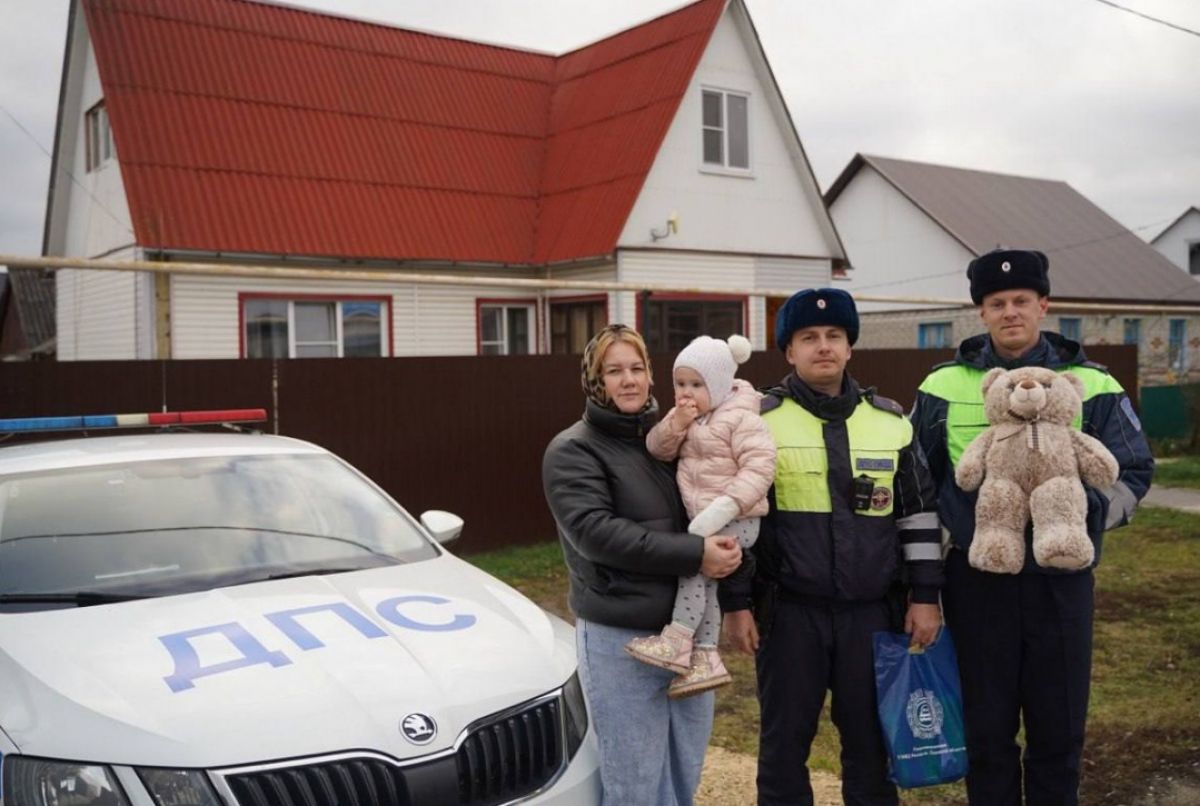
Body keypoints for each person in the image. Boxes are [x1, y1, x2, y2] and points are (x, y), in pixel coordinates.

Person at [911, 249, 1154, 805]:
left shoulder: (1090, 385)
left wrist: (1079, 518)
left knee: (1058, 730)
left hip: (1061, 578)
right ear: (981, 313)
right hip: (977, 580)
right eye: (997, 303)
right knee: (987, 732)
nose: (1010, 312)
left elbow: (1133, 471)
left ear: (1044, 305)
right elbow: (918, 485)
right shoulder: (945, 385)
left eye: (1022, 300)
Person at [720, 288, 944, 806]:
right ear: (789, 352)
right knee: (783, 750)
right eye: (809, 338)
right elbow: (736, 519)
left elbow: (919, 517)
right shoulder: (758, 421)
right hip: (789, 616)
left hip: (871, 617)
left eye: (834, 336)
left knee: (870, 749)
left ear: (850, 347)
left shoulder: (891, 424)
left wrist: (926, 597)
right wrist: (735, 604)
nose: (823, 346)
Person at [542, 323, 743, 806]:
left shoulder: (677, 441)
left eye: (636, 368)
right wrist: (696, 554)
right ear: (594, 380)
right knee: (633, 785)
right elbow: (598, 534)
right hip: (622, 638)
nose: (628, 380)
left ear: (652, 376)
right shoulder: (573, 450)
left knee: (683, 774)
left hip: (688, 635)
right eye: (613, 371)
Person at [625, 334, 776, 698]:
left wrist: (725, 506)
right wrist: (676, 422)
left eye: (696, 384)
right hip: (707, 517)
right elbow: (657, 449)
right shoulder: (692, 418)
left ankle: (677, 640)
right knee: (706, 581)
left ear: (721, 385)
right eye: (680, 383)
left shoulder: (741, 418)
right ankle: (706, 657)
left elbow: (761, 467)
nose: (686, 392)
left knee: (693, 570)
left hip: (736, 516)